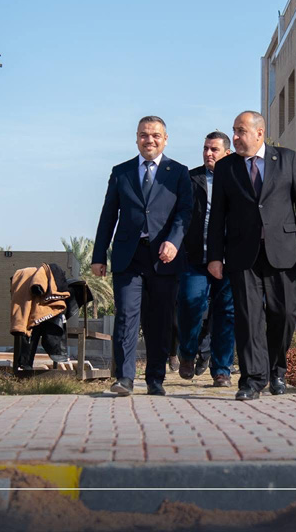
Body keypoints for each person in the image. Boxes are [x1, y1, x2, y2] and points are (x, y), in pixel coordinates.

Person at [207, 111, 296, 400]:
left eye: (240, 131)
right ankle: (252, 380)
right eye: (234, 131)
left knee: (284, 314)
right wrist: (215, 256)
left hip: (283, 251)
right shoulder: (226, 167)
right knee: (248, 318)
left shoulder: (286, 159)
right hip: (241, 254)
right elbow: (218, 214)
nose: (235, 137)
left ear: (259, 133)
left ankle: (276, 370)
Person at [92, 116, 192, 397]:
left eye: (156, 135)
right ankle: (124, 378)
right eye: (144, 135)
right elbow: (108, 215)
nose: (150, 140)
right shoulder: (121, 172)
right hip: (129, 256)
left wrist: (174, 242)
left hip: (164, 257)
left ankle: (155, 379)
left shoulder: (178, 172)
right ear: (136, 138)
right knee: (126, 315)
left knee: (159, 320)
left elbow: (185, 212)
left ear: (165, 139)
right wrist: (98, 255)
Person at [176, 131, 236, 387]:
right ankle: (187, 353)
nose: (208, 153)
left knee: (227, 313)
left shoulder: (238, 178)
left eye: (214, 149)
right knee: (190, 304)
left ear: (227, 153)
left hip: (229, 259)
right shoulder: (191, 179)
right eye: (205, 149)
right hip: (195, 258)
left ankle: (222, 369)